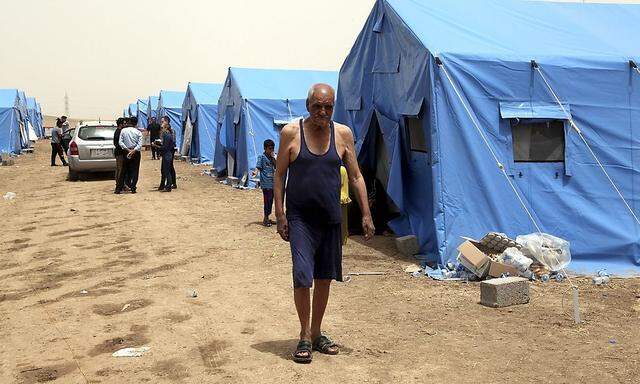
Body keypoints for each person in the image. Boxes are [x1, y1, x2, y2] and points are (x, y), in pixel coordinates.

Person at [274, 84, 374, 364]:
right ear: (308, 105)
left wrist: (366, 213)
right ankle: (304, 334)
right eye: (317, 106)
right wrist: (279, 214)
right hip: (300, 219)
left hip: (331, 218)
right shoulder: (291, 133)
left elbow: (355, 176)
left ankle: (317, 332)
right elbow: (280, 174)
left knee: (324, 277)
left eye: (328, 106)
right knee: (302, 275)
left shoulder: (343, 134)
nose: (322, 111)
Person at [254, 139, 277, 227]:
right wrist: (255, 172)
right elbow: (258, 167)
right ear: (265, 148)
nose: (271, 150)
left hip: (272, 183)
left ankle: (267, 217)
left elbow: (276, 166)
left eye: (272, 148)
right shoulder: (262, 157)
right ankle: (265, 218)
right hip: (265, 183)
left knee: (271, 201)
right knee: (267, 200)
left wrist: (273, 158)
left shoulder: (272, 158)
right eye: (270, 148)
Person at [118, 116, 143, 193]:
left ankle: (118, 188)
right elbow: (140, 144)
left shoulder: (123, 131)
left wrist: (128, 150)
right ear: (136, 123)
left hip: (126, 152)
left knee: (124, 170)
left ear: (129, 122)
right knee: (135, 170)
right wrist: (133, 151)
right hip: (135, 153)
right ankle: (133, 187)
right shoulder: (138, 132)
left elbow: (120, 142)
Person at [154, 117, 176, 192]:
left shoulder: (168, 134)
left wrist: (156, 146)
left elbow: (165, 147)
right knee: (165, 170)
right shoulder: (167, 134)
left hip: (168, 153)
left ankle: (169, 185)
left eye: (162, 123)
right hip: (167, 153)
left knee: (167, 170)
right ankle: (165, 185)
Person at [113, 118, 127, 194]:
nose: (125, 125)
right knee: (120, 170)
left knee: (120, 169)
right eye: (124, 123)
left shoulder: (119, 131)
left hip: (120, 153)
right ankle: (119, 186)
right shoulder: (119, 132)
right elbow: (118, 144)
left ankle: (122, 185)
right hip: (120, 153)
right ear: (121, 124)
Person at [340, 165, 351, 245]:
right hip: (343, 199)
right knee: (343, 222)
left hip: (340, 199)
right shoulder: (343, 169)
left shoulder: (340, 169)